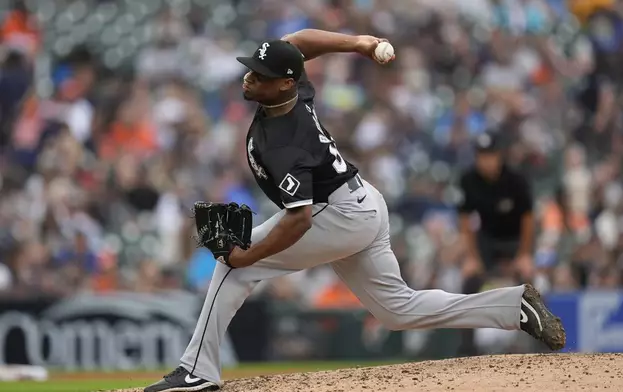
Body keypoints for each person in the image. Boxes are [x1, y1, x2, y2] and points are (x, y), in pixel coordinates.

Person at [144, 29, 565, 392]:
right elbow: (298, 42)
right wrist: (358, 43)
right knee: (398, 310)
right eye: (252, 69)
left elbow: (299, 220)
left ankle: (197, 370)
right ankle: (514, 307)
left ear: (286, 85)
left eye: (261, 75)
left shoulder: (286, 142)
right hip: (360, 204)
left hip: (337, 216)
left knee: (233, 265)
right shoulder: (294, 89)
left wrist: (248, 255)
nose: (249, 77)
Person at [457, 132, 535, 355]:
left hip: (516, 239)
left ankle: (540, 344)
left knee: (529, 283)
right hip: (487, 240)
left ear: (499, 156)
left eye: (490, 155)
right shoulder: (469, 180)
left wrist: (525, 254)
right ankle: (467, 348)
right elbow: (465, 220)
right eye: (481, 156)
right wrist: (472, 257)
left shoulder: (516, 180)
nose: (486, 161)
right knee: (469, 282)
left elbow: (528, 218)